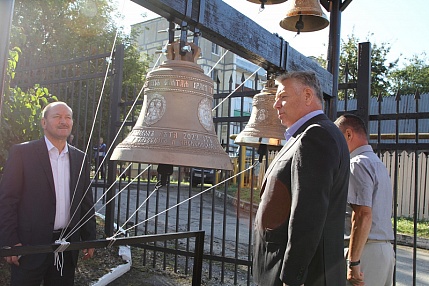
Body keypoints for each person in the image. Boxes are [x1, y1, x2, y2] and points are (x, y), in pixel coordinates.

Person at [253, 71, 350, 286]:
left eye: (283, 96)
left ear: (307, 95)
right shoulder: (308, 135)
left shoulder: (316, 135)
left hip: (302, 277)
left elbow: (308, 214)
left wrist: (291, 278)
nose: (276, 105)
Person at [0, 101, 96, 286]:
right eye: (57, 117)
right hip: (28, 247)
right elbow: (7, 200)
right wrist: (10, 241)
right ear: (44, 123)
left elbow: (85, 201)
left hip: (67, 247)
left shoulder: (80, 158)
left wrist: (89, 238)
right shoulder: (22, 153)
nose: (63, 121)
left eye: (68, 117)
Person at [334, 114, 395, 286]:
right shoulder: (377, 163)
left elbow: (362, 214)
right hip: (384, 251)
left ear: (348, 134)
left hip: (365, 252)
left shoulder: (356, 164)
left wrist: (353, 262)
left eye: (339, 138)